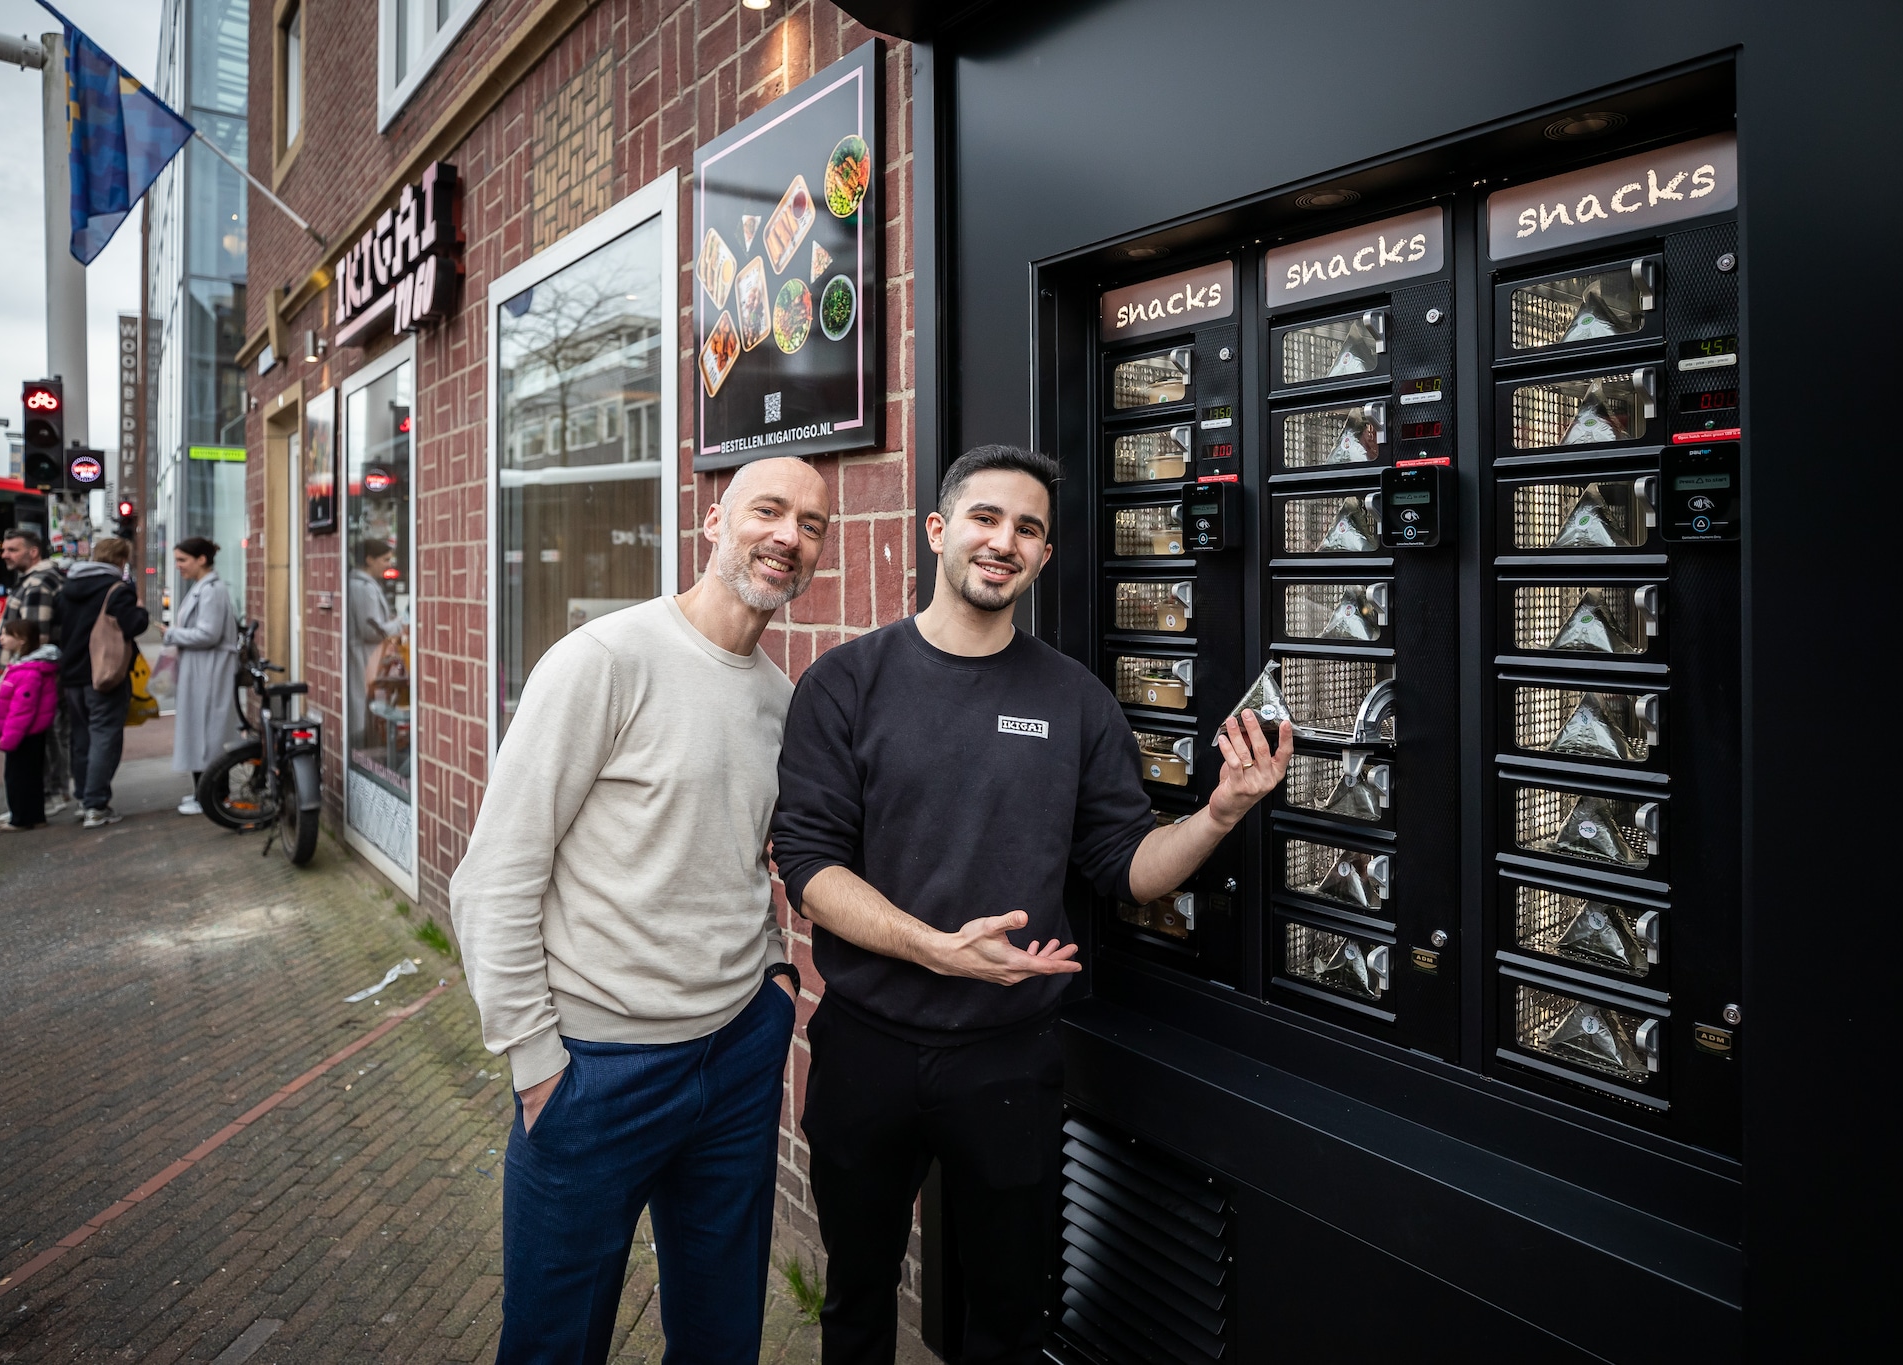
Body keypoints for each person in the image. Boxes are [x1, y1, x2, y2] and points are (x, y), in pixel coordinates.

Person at [770, 446, 1291, 1365]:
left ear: (1044, 556)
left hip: (1008, 1062)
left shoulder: (1076, 702)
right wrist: (932, 946)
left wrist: (1220, 812)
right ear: (939, 531)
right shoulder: (846, 683)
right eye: (984, 518)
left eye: (1027, 528)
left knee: (1010, 1317)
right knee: (854, 1299)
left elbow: (1126, 868)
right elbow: (808, 865)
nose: (1002, 541)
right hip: (867, 1049)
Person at [450, 455, 833, 1365]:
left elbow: (749, 858)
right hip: (595, 1071)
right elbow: (495, 875)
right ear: (713, 522)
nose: (788, 535)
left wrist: (776, 982)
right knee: (554, 1342)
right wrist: (536, 1060)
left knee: (721, 1336)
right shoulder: (604, 660)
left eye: (811, 524)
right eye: (768, 510)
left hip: (737, 1056)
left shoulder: (783, 702)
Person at [54, 537, 149, 829]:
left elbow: (57, 629)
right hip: (104, 675)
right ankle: (96, 804)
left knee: (81, 738)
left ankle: (84, 798)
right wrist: (141, 610)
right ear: (121, 561)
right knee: (105, 736)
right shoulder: (117, 590)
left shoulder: (67, 589)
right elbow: (134, 625)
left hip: (71, 675)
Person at [0, 528, 74, 817]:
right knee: (49, 732)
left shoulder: (38, 583)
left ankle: (52, 794)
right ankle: (49, 793)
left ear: (33, 551)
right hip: (36, 673)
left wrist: (17, 669)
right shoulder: (35, 580)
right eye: (4, 549)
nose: (5, 555)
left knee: (45, 734)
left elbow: (32, 637)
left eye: (12, 549)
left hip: (34, 675)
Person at [162, 537, 242, 815]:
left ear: (201, 560)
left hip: (208, 670)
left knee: (207, 733)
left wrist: (171, 634)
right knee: (201, 731)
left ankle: (212, 796)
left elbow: (209, 634)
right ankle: (203, 793)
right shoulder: (203, 588)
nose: (179, 566)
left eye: (183, 560)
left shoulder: (211, 591)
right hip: (201, 669)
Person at [0, 619, 61, 831]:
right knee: (31, 775)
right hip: (29, 732)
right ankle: (34, 815)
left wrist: (7, 740)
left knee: (18, 777)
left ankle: (21, 818)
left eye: (6, 634)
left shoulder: (28, 671)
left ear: (21, 640)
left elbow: (22, 711)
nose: (1, 638)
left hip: (23, 734)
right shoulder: (26, 667)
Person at [346, 538, 402, 751]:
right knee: (364, 707)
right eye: (385, 559)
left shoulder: (361, 585)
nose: (389, 564)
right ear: (369, 559)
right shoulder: (363, 588)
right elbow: (372, 631)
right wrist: (401, 622)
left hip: (365, 656)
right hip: (365, 657)